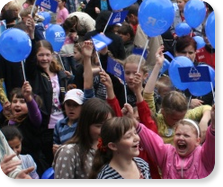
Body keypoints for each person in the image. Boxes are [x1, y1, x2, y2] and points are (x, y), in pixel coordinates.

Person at [143, 45, 212, 144]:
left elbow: (207, 108)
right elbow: (147, 95)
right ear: (163, 111)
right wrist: (158, 65)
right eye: (175, 119)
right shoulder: (155, 120)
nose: (179, 123)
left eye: (181, 118)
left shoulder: (185, 117)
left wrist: (204, 121)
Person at [133, 104, 215, 179]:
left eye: (186, 135)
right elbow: (150, 138)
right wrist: (134, 122)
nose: (181, 138)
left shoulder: (204, 156)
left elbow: (212, 144)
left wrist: (214, 124)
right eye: (178, 134)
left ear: (198, 141)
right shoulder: (166, 153)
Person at [52, 97, 115, 179]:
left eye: (108, 125)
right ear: (85, 125)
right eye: (99, 126)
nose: (105, 130)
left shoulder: (111, 149)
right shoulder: (69, 152)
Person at [53, 40, 95, 154]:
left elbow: (88, 86)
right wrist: (56, 149)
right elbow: (56, 145)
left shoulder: (85, 122)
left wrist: (86, 58)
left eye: (76, 105)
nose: (71, 108)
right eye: (68, 104)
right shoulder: (59, 125)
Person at [0, 81, 47, 176]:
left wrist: (28, 98)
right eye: (14, 101)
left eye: (22, 102)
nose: (17, 104)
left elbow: (36, 114)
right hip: (12, 164)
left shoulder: (31, 121)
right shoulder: (7, 122)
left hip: (32, 164)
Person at [174, 35, 214, 108]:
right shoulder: (171, 72)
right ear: (176, 53)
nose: (187, 56)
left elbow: (209, 92)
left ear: (195, 53)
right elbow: (167, 96)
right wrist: (187, 102)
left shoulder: (203, 68)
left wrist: (198, 104)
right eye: (183, 52)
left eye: (190, 53)